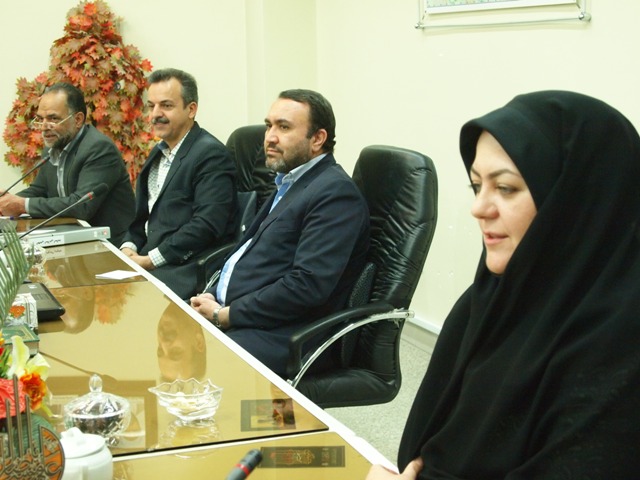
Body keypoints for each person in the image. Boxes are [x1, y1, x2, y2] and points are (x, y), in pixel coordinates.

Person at [367, 90, 640, 479]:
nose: (479, 208)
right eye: (477, 185)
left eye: (506, 188)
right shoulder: (485, 302)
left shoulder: (620, 343)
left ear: (578, 200)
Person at [190, 89, 370, 377]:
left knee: (194, 367)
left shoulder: (335, 193)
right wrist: (214, 295)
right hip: (249, 314)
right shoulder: (291, 182)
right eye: (269, 125)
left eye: (283, 127)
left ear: (317, 139)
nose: (270, 137)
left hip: (289, 334)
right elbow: (252, 253)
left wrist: (226, 314)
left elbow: (306, 285)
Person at [120, 68, 237, 299]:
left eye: (166, 105)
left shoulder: (210, 155)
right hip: (146, 260)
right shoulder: (158, 153)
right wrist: (128, 248)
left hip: (183, 268)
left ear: (191, 109)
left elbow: (206, 225)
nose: (155, 114)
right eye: (151, 106)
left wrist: (149, 260)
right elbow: (143, 218)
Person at [0, 82, 135, 246]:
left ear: (77, 120)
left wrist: (22, 205)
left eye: (53, 119)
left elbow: (82, 206)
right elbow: (40, 190)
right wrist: (7, 202)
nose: (44, 127)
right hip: (73, 237)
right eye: (40, 119)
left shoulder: (98, 148)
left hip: (110, 243)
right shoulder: (53, 146)